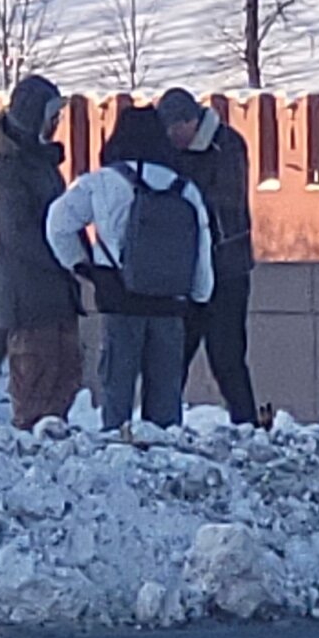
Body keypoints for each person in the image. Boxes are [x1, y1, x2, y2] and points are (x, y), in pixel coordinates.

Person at [45, 98, 214, 429]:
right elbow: (201, 249)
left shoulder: (103, 181)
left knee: (117, 390)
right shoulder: (184, 188)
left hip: (119, 299)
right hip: (170, 304)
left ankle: (115, 454)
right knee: (166, 397)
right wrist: (198, 297)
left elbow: (58, 223)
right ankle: (164, 463)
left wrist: (83, 267)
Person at [0, 75, 83, 429]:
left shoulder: (38, 162)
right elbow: (17, 232)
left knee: (65, 377)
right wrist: (67, 257)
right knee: (36, 383)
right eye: (52, 117)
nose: (56, 126)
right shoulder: (5, 168)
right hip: (28, 293)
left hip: (55, 292)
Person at [160, 85, 261, 426]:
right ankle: (164, 425)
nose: (173, 138)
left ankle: (245, 424)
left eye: (176, 129)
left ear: (191, 121)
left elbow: (223, 203)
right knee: (175, 356)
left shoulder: (227, 144)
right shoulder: (176, 150)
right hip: (189, 273)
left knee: (227, 356)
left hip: (225, 268)